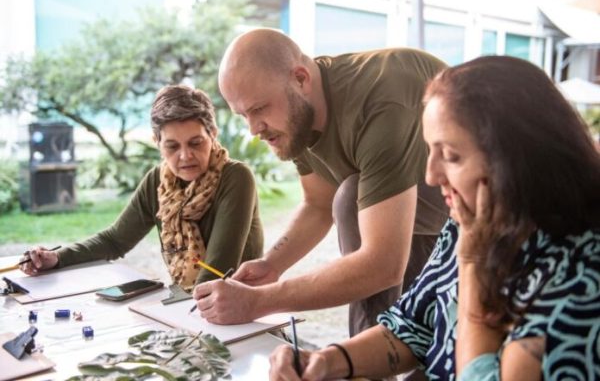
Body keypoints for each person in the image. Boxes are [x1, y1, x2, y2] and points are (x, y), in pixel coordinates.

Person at [268, 55, 600, 380]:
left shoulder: (582, 273)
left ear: (519, 157)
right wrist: (327, 360)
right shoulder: (469, 219)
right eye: (431, 152)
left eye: (451, 156)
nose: (430, 175)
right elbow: (413, 325)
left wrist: (472, 267)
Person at [193, 28, 449, 339]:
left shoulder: (380, 99)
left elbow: (383, 264)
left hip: (494, 209)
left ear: (300, 78)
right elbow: (318, 204)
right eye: (243, 115)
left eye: (259, 109)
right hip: (420, 202)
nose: (254, 129)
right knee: (415, 342)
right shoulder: (297, 119)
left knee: (353, 198)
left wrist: (258, 302)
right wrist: (271, 265)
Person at [20, 85, 263, 292]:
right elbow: (115, 241)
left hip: (242, 315)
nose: (185, 156)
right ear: (157, 142)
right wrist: (58, 257)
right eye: (172, 146)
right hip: (190, 311)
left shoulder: (236, 177)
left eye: (196, 143)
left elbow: (217, 272)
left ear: (213, 134)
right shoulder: (157, 182)